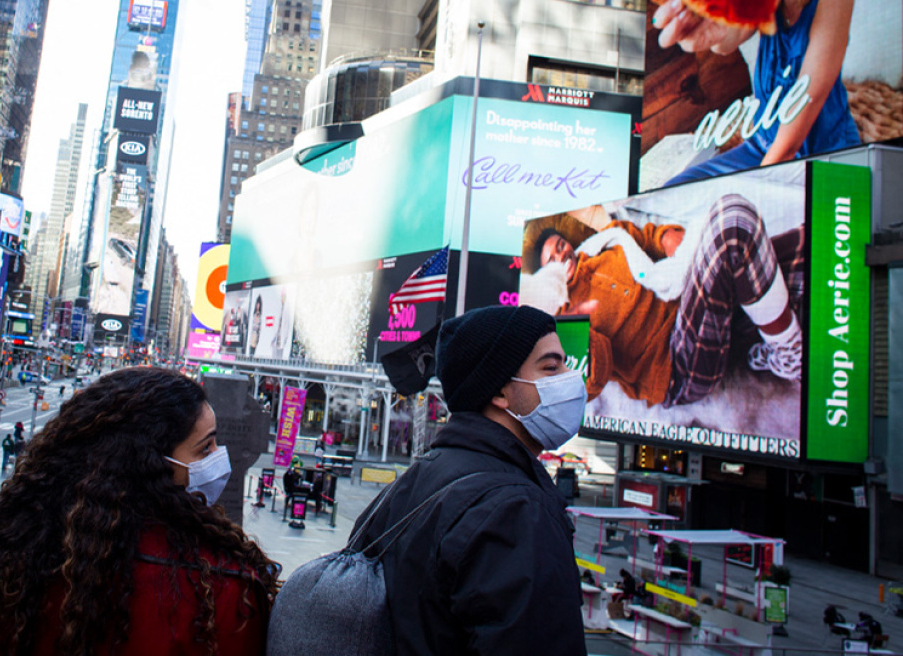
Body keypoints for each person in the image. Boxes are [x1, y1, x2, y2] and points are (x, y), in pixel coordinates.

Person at [0, 367, 278, 655]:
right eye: (205, 447)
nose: (220, 457)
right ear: (147, 464)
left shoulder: (14, 568)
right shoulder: (227, 589)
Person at [348, 306, 586, 654]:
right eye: (551, 367)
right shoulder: (516, 511)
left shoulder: (413, 482)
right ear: (500, 392)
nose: (570, 377)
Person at [525, 196, 803, 408]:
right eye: (552, 260)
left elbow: (647, 236)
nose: (562, 256)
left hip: (694, 303)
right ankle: (790, 354)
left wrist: (670, 240)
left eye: (561, 245)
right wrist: (570, 327)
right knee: (733, 222)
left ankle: (757, 342)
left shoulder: (604, 243)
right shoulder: (562, 319)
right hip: (676, 366)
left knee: (803, 247)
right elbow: (591, 381)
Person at [653, 0, 860, 186]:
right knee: (675, 191)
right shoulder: (767, 4)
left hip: (826, 154)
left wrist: (753, 189)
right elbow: (727, 40)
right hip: (760, 146)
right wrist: (712, 27)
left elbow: (788, 147)